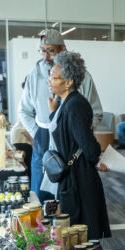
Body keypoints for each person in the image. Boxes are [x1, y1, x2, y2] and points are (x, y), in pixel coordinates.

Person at [19, 29, 103, 201]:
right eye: (42, 50)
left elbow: (96, 113)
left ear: (63, 49)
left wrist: (77, 133)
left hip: (73, 145)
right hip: (42, 138)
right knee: (40, 195)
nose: (45, 56)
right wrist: (37, 134)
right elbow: (24, 111)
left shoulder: (83, 77)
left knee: (68, 197)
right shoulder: (33, 75)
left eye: (50, 50)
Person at [45, 51, 111, 240]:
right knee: (75, 227)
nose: (49, 80)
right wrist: (53, 112)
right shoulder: (67, 103)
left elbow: (88, 144)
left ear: (68, 82)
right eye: (50, 76)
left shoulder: (76, 105)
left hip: (79, 176)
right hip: (73, 173)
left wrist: (96, 159)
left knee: (82, 229)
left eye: (54, 77)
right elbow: (65, 131)